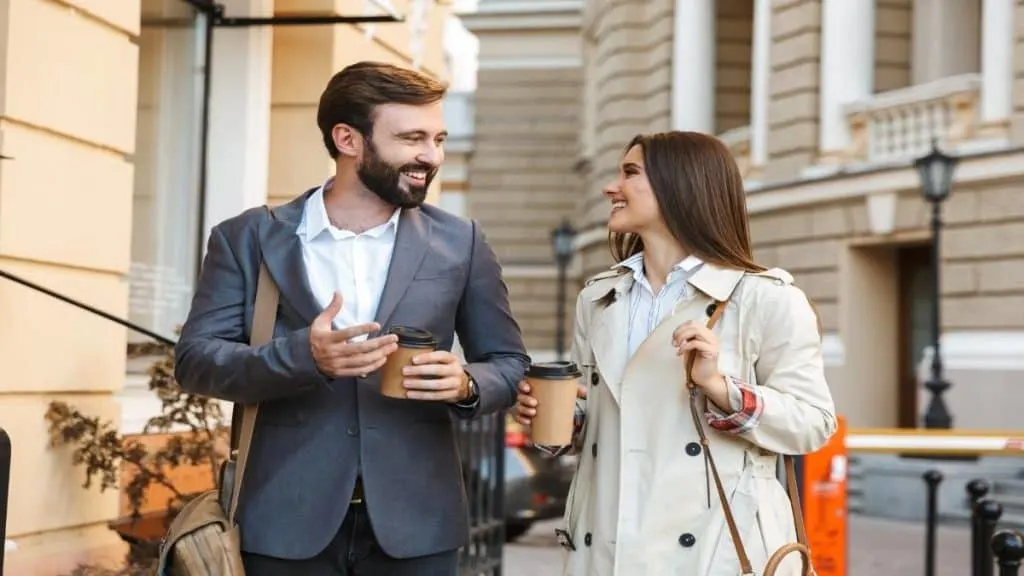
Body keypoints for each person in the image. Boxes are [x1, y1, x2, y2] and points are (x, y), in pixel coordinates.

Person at [174, 61, 530, 576]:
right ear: (348, 139)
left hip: (418, 526)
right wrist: (303, 356)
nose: (430, 156)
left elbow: (509, 362)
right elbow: (195, 361)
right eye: (411, 138)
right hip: (283, 522)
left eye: (438, 139)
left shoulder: (462, 243)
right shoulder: (249, 237)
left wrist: (467, 383)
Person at [514, 131, 837, 576]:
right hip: (606, 545)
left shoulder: (764, 299)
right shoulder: (600, 299)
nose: (612, 187)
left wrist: (719, 387)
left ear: (679, 185)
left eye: (630, 173)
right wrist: (550, 418)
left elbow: (813, 424)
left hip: (716, 550)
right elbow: (598, 427)